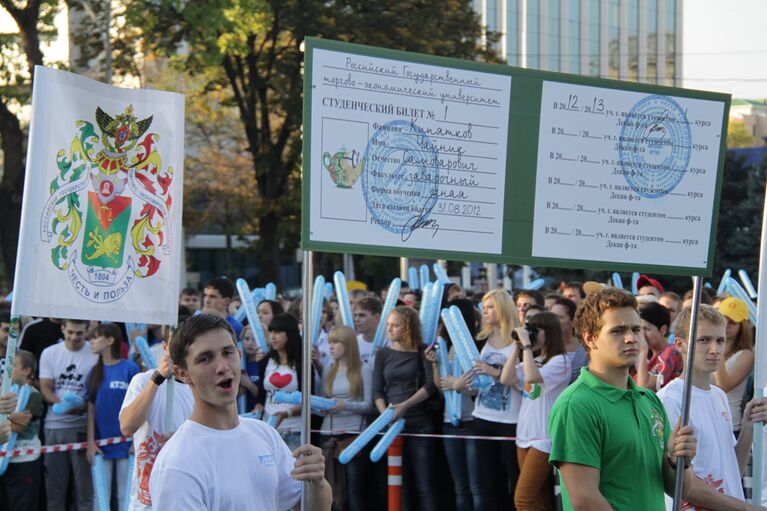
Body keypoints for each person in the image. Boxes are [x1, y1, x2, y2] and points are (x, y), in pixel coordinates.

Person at [149, 313, 332, 510]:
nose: (222, 367)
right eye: (205, 359)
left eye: (228, 353)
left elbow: (308, 506)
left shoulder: (264, 434)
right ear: (182, 374)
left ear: (239, 355)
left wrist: (317, 482)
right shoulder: (177, 465)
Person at [548, 288, 697, 510]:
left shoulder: (649, 400)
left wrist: (678, 462)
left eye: (636, 329)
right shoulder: (576, 404)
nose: (631, 338)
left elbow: (679, 490)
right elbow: (585, 500)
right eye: (617, 331)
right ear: (590, 338)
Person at [658, 304, 767, 510]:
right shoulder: (670, 399)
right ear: (680, 344)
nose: (714, 349)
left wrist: (748, 427)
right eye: (704, 340)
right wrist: (745, 508)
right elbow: (683, 484)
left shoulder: (718, 395)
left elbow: (732, 469)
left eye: (720, 340)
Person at [500, 312, 570, 511]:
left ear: (549, 333)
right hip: (524, 436)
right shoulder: (535, 360)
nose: (530, 335)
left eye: (534, 331)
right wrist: (517, 348)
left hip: (544, 438)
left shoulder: (561, 361)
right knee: (539, 500)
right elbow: (506, 379)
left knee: (523, 499)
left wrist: (528, 347)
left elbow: (532, 378)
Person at [373, 306, 437, 511]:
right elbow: (377, 390)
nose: (389, 329)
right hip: (392, 426)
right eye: (388, 325)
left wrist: (405, 405)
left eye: (395, 325)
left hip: (419, 424)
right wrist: (386, 415)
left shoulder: (423, 351)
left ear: (408, 327)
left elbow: (430, 386)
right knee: (398, 485)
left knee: (425, 485)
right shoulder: (383, 353)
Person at [119, 338, 194, 511]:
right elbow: (127, 427)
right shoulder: (143, 381)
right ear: (165, 346)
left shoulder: (201, 388)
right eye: (175, 345)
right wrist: (157, 378)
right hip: (146, 503)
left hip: (186, 498)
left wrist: (177, 443)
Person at [426, 298, 483, 511]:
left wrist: (459, 385)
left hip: (472, 422)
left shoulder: (474, 346)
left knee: (476, 486)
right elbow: (441, 388)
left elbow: (480, 386)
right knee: (460, 487)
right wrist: (435, 366)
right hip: (450, 421)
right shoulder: (444, 346)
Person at [39, 318, 99, 511]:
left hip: (82, 426)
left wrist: (80, 408)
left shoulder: (94, 353)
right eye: (70, 332)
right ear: (63, 328)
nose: (74, 337)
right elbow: (45, 387)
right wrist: (62, 405)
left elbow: (96, 392)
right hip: (54, 426)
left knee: (84, 490)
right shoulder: (50, 353)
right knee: (54, 489)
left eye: (79, 333)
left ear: (87, 331)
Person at [472, 289, 522, 511]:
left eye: (491, 306)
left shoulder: (518, 340)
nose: (486, 311)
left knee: (515, 479)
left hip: (512, 420)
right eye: (484, 307)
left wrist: (493, 371)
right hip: (482, 415)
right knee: (489, 482)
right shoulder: (482, 338)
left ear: (503, 308)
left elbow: (524, 381)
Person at [86, 323, 140, 510]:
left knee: (125, 495)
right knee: (100, 497)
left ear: (109, 340)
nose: (91, 341)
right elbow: (91, 410)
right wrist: (91, 443)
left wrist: (136, 441)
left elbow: (140, 407)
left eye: (95, 337)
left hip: (127, 444)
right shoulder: (94, 372)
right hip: (101, 446)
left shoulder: (129, 368)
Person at [320, 325, 374, 510]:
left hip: (354, 434)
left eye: (336, 342)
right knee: (331, 490)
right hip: (328, 433)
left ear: (348, 344)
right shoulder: (328, 370)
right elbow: (322, 401)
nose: (331, 346)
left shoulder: (363, 369)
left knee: (354, 491)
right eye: (330, 342)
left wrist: (344, 405)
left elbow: (369, 405)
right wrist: (323, 408)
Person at [255, 313, 312, 451]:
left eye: (278, 332)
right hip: (268, 430)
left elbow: (310, 401)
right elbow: (262, 396)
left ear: (289, 334)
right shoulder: (266, 361)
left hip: (294, 431)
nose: (273, 337)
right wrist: (257, 411)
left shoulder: (303, 364)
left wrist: (287, 413)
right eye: (271, 332)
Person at [1, 350, 43, 510]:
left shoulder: (33, 395)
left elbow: (19, 426)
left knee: (22, 505)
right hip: (3, 459)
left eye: (14, 365)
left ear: (26, 370)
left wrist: (6, 417)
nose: (8, 369)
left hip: (24, 459)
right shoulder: (5, 392)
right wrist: (12, 415)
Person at [714, 297, 755, 437]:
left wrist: (718, 347)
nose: (726, 325)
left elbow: (724, 386)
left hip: (729, 423)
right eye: (723, 319)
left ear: (742, 326)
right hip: (707, 417)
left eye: (732, 322)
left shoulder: (746, 355)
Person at [635, 302, 683, 391]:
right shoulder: (653, 356)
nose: (641, 335)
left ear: (663, 330)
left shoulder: (671, 352)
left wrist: (643, 351)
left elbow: (644, 390)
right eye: (638, 329)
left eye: (646, 329)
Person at [550, 298, 587, 383]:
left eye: (559, 317)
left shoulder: (585, 348)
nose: (553, 321)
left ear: (573, 321)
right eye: (552, 316)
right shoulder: (544, 346)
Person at [353, 296, 383, 367]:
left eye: (362, 315)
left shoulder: (388, 343)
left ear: (376, 317)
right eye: (355, 315)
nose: (356, 319)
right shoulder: (354, 343)